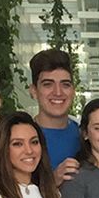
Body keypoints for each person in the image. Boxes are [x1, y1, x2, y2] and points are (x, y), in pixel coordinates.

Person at [27, 48, 81, 185]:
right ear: (34, 91)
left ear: (73, 91)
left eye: (65, 84)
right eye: (48, 84)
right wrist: (52, 181)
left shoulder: (87, 135)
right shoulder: (19, 140)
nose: (58, 92)